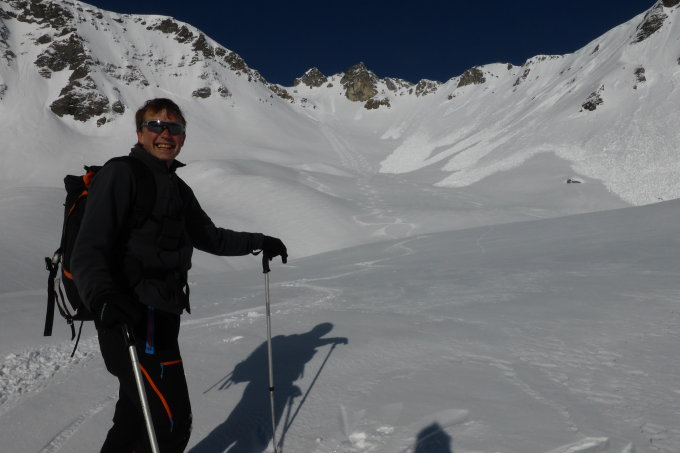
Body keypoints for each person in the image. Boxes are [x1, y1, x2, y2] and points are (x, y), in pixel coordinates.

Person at [71, 98, 288, 453]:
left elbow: (211, 237)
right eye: (155, 125)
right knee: (170, 421)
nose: (165, 134)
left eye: (175, 127)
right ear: (140, 133)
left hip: (162, 314)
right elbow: (89, 247)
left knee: (135, 418)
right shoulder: (121, 174)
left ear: (183, 137)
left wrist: (260, 241)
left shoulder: (177, 188)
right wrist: (104, 297)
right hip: (129, 316)